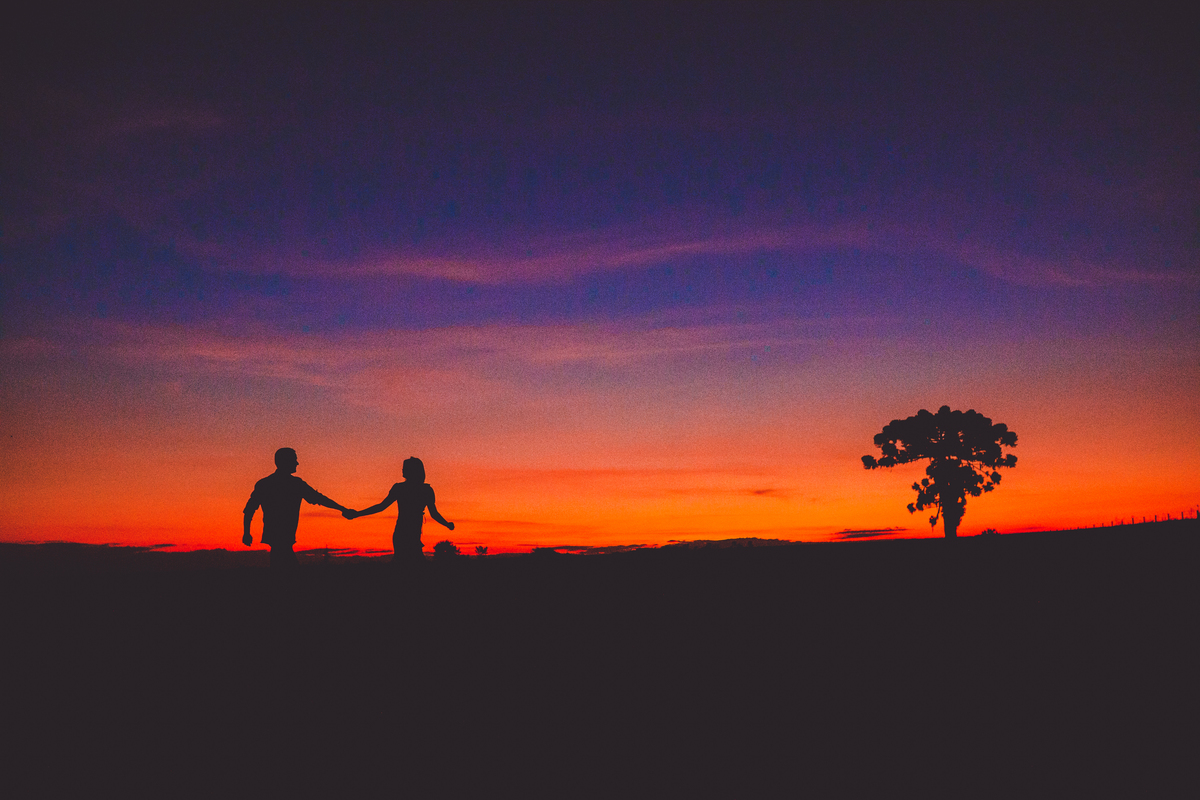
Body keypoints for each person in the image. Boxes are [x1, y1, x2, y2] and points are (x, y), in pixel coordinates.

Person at [243, 447, 350, 567]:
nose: (297, 463)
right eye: (294, 460)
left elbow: (249, 510)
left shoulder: (265, 484)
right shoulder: (295, 484)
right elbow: (319, 498)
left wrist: (246, 532)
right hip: (282, 539)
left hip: (277, 538)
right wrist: (343, 509)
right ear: (286, 461)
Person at [344, 456, 453, 569]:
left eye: (405, 468)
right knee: (412, 564)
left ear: (412, 470)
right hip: (406, 532)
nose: (402, 470)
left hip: (405, 531)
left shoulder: (401, 488)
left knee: (407, 564)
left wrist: (357, 514)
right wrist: (447, 524)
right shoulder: (425, 490)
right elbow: (434, 514)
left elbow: (381, 507)